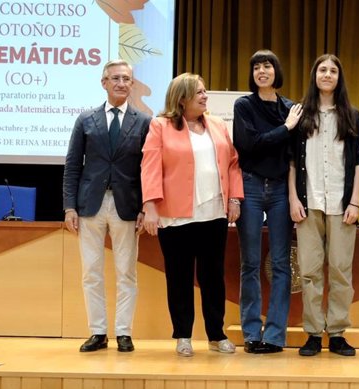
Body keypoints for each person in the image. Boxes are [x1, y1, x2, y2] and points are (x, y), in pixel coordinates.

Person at [141, 72, 243, 357]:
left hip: (214, 213)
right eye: (199, 92)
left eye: (205, 91)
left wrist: (235, 198)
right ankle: (183, 335)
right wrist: (150, 206)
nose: (205, 95)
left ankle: (216, 334)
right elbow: (150, 167)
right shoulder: (160, 126)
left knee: (213, 276)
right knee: (179, 277)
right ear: (182, 97)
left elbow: (233, 164)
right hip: (175, 216)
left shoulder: (218, 124)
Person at [63, 59, 152, 353]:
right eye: (115, 78)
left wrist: (144, 207)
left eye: (127, 79)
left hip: (127, 205)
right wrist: (69, 207)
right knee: (91, 271)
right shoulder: (86, 119)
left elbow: (146, 169)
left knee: (126, 271)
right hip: (90, 205)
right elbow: (73, 165)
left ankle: (124, 332)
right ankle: (98, 332)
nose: (121, 83)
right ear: (104, 82)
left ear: (132, 84)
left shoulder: (143, 121)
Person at [289, 54, 359, 357]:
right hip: (308, 203)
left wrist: (355, 201)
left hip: (341, 204)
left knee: (341, 271)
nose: (328, 74)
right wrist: (293, 198)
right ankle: (312, 333)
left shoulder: (351, 114)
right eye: (322, 69)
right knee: (309, 271)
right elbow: (292, 162)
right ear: (314, 75)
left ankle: (337, 332)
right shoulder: (300, 114)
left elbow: (356, 162)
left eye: (333, 70)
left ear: (339, 77)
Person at [233, 50, 303, 354]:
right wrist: (285, 129)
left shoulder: (291, 108)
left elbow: (291, 156)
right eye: (257, 67)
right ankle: (251, 332)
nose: (263, 71)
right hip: (249, 185)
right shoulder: (244, 105)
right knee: (249, 263)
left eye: (268, 66)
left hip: (278, 190)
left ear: (277, 70)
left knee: (280, 264)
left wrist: (292, 195)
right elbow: (248, 145)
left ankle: (275, 334)